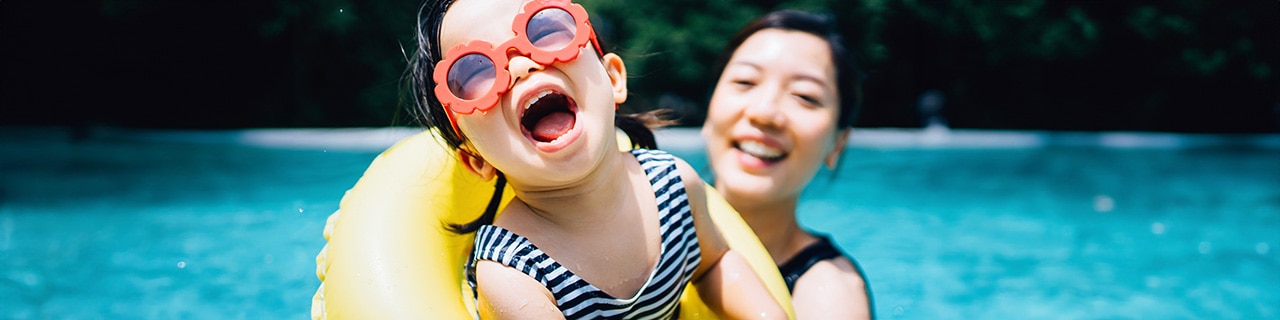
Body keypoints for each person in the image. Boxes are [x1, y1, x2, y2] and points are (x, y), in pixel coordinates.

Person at [407, 0, 786, 318]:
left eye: (544, 31)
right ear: (476, 159)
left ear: (614, 79)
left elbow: (715, 265)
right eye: (473, 71)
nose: (521, 66)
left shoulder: (674, 187)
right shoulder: (512, 272)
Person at [701, 9, 874, 319]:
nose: (765, 113)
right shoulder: (634, 224)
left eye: (805, 96)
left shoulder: (832, 293)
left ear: (838, 144)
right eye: (745, 81)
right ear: (710, 109)